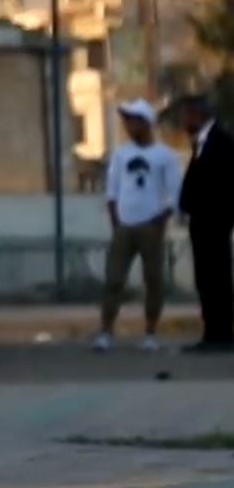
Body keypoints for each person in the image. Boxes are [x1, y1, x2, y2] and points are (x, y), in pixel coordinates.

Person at [93, 99, 182, 352]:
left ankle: (150, 333)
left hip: (150, 225)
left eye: (133, 121)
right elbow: (112, 189)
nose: (129, 126)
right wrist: (115, 218)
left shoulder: (165, 156)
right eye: (127, 121)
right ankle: (105, 331)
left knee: (153, 280)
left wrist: (161, 219)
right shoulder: (121, 154)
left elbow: (174, 194)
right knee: (113, 280)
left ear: (146, 123)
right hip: (124, 225)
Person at [176, 94, 234, 353]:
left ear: (200, 115)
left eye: (187, 114)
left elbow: (223, 184)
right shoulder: (201, 143)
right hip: (202, 222)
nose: (183, 120)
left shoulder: (221, 143)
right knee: (206, 278)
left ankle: (221, 333)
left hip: (215, 223)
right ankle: (213, 331)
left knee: (216, 278)